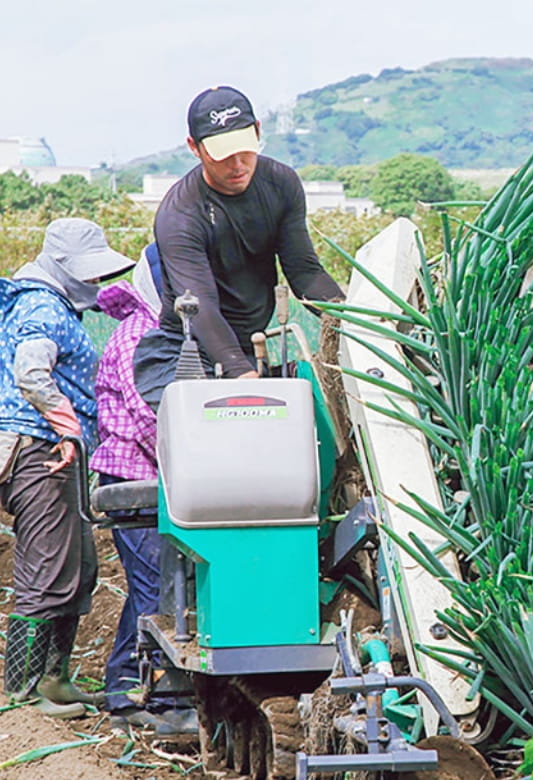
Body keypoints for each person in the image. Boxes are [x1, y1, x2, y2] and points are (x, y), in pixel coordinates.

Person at [0, 218, 135, 719]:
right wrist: (68, 426)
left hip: (52, 447)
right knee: (47, 567)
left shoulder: (49, 303)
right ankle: (24, 689)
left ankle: (56, 680)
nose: (95, 284)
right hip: (41, 449)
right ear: (59, 266)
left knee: (77, 566)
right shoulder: (40, 305)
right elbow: (31, 372)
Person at [135, 84, 343, 404]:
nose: (237, 165)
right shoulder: (180, 214)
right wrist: (243, 375)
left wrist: (357, 326)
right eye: (222, 154)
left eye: (244, 149)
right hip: (185, 350)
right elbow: (200, 306)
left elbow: (305, 274)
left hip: (246, 347)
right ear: (195, 147)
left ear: (258, 131)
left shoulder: (281, 184)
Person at [90, 244, 197, 735]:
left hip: (154, 478)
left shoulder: (160, 330)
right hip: (136, 477)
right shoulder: (141, 335)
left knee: (152, 585)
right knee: (159, 586)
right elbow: (151, 417)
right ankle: (161, 699)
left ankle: (125, 687)